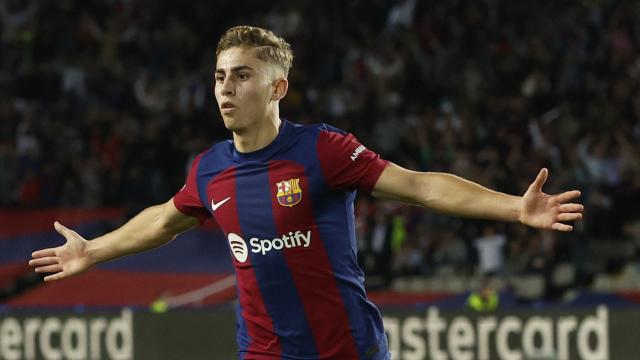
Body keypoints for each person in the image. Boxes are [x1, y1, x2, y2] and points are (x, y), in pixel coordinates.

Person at [29, 26, 583, 359]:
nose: (226, 87)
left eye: (242, 75)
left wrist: (515, 207)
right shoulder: (209, 170)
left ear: (278, 88)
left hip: (349, 350)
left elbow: (418, 188)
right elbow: (162, 220)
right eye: (220, 76)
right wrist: (93, 250)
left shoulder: (322, 151)